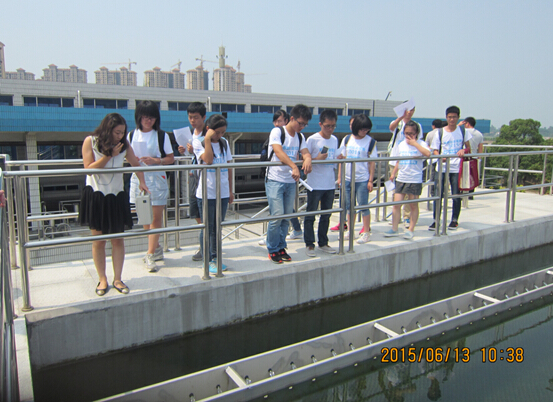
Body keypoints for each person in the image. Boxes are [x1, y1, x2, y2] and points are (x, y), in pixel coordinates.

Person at [80, 113, 148, 296]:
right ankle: (102, 279)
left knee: (118, 239)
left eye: (122, 132)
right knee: (98, 240)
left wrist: (142, 181)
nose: (120, 136)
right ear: (107, 129)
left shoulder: (124, 145)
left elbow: (135, 164)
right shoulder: (91, 142)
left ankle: (117, 278)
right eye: (117, 132)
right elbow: (89, 169)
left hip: (116, 196)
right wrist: (109, 156)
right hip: (96, 195)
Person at [128, 101, 175, 272]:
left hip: (156, 178)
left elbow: (170, 158)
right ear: (139, 117)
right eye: (145, 117)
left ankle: (150, 254)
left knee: (155, 218)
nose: (148, 121)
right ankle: (156, 247)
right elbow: (126, 155)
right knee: (144, 218)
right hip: (138, 178)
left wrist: (155, 160)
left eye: (152, 118)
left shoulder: (161, 136)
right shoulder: (131, 135)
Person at [265, 104, 312, 263]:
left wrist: (308, 159)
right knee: (277, 216)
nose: (302, 126)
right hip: (275, 179)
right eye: (300, 123)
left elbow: (305, 152)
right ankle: (272, 248)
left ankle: (281, 246)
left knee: (286, 217)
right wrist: (294, 166)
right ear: (292, 118)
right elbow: (278, 152)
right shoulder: (277, 132)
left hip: (290, 181)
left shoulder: (300, 137)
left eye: (305, 124)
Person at [192, 114, 233, 273]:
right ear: (208, 129)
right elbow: (208, 160)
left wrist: (230, 190)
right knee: (207, 227)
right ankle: (207, 259)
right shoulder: (199, 142)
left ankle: (215, 257)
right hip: (206, 192)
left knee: (218, 226)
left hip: (222, 192)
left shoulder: (224, 143)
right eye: (217, 132)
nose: (220, 135)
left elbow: (228, 167)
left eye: (223, 132)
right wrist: (208, 139)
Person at [385, 121, 431, 239]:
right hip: (401, 178)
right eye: (406, 133)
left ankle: (411, 229)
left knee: (413, 205)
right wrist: (393, 174)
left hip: (414, 179)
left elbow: (428, 153)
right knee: (396, 204)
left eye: (411, 133)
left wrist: (415, 144)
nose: (408, 136)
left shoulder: (421, 143)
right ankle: (394, 228)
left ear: (416, 133)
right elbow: (399, 160)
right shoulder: (401, 144)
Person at [429, 106, 472, 231]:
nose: (452, 119)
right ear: (446, 117)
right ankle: (436, 220)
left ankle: (454, 220)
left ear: (458, 117)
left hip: (457, 167)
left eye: (454, 117)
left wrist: (464, 150)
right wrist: (440, 157)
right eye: (449, 117)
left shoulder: (463, 131)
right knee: (438, 194)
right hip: (442, 167)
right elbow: (435, 150)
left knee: (456, 194)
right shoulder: (440, 132)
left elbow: (468, 148)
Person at [304, 110, 339, 257]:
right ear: (320, 124)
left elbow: (335, 160)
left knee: (326, 215)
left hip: (329, 183)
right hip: (315, 183)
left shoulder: (335, 140)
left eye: (333, 126)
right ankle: (309, 244)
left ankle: (323, 242)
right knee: (311, 214)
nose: (330, 129)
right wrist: (317, 159)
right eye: (327, 126)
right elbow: (305, 161)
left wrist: (339, 158)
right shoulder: (312, 139)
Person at [337, 114, 377, 244]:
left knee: (363, 205)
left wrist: (370, 180)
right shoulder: (347, 139)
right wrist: (339, 177)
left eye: (367, 129)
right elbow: (341, 158)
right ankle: (350, 230)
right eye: (362, 129)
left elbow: (372, 163)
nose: (364, 132)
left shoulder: (370, 142)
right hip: (347, 178)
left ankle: (366, 232)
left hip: (362, 179)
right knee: (349, 206)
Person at [178, 102, 207, 261]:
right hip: (193, 176)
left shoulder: (209, 134)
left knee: (205, 212)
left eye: (196, 117)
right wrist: (183, 151)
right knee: (195, 211)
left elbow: (208, 156)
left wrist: (194, 151)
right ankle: (207, 240)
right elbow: (192, 156)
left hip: (206, 177)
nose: (192, 120)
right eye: (190, 117)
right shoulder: (190, 134)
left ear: (203, 117)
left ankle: (206, 245)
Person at [388, 102, 424, 228]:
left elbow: (420, 142)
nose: (409, 112)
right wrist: (400, 117)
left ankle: (407, 216)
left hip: (410, 162)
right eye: (407, 109)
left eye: (412, 109)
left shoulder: (416, 125)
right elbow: (391, 128)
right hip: (396, 160)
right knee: (396, 191)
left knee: (410, 194)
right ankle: (395, 217)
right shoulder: (397, 123)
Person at [460, 117, 484, 200]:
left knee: (463, 174)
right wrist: (479, 158)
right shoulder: (479, 134)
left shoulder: (463, 132)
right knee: (472, 175)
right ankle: (470, 193)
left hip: (464, 155)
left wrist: (459, 125)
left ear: (467, 123)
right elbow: (480, 148)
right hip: (474, 156)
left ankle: (462, 192)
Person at [424, 119, 444, 197]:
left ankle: (432, 192)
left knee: (432, 176)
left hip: (432, 157)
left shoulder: (430, 134)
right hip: (442, 157)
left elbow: (426, 145)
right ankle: (441, 191)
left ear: (433, 126)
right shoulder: (443, 132)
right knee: (442, 176)